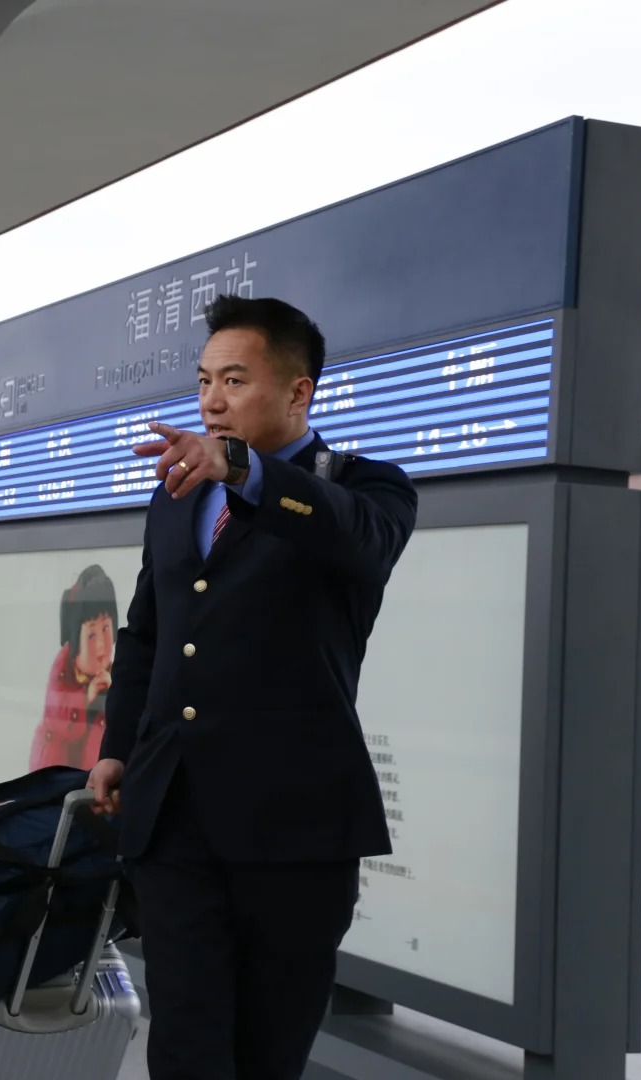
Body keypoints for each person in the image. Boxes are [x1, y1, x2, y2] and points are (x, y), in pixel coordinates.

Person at [86, 295, 419, 1080]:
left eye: (234, 380)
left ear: (299, 391)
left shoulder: (366, 488)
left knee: (269, 1052)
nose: (211, 401)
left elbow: (360, 541)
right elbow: (147, 635)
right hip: (175, 818)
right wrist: (117, 749)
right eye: (204, 380)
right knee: (186, 1046)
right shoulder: (178, 497)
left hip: (295, 831)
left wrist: (246, 472)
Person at [29, 565, 118, 771]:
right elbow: (58, 718)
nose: (101, 647)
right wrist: (86, 698)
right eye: (91, 635)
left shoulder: (115, 672)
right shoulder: (63, 672)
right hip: (60, 780)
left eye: (106, 628)